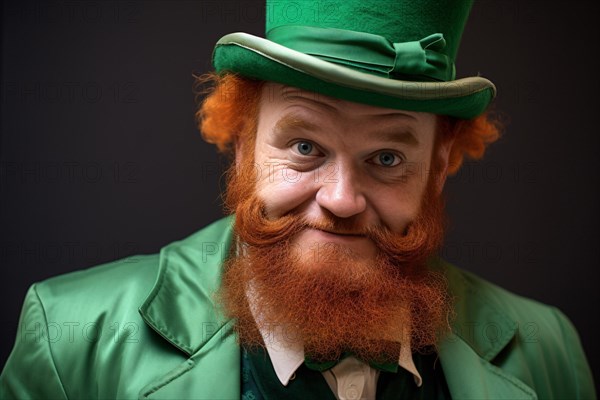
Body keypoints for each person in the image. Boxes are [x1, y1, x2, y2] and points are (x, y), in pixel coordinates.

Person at [0, 0, 596, 399]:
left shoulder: (549, 351)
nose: (341, 200)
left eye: (387, 159)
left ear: (438, 169)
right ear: (241, 144)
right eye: (305, 145)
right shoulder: (72, 342)